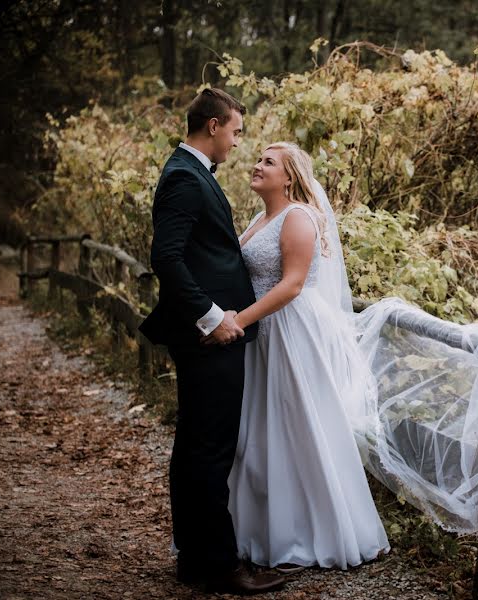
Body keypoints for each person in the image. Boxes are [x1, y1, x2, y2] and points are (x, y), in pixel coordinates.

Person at [139, 89, 295, 594]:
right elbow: (167, 257)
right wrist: (211, 317)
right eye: (235, 131)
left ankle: (195, 559)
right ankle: (222, 566)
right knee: (210, 449)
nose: (237, 142)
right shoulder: (184, 177)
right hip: (212, 338)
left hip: (214, 335)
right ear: (212, 126)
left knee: (194, 446)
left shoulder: (190, 173)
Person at [227, 142, 391, 569]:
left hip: (290, 331)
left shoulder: (298, 217)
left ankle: (316, 533)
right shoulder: (261, 218)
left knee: (297, 426)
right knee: (263, 430)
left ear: (290, 176)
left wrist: (239, 321)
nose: (256, 165)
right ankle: (263, 529)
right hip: (266, 331)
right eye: (257, 158)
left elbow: (292, 284)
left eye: (268, 162)